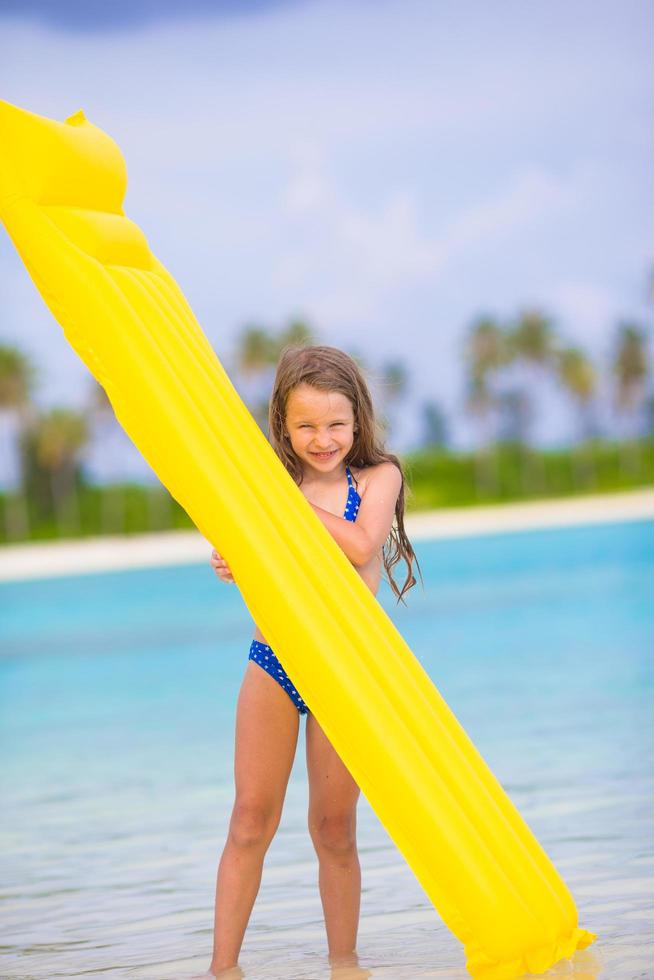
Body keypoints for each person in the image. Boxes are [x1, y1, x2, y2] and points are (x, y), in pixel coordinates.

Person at [199, 345, 421, 979]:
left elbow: (356, 545)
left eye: (336, 425)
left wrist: (274, 501)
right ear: (282, 425)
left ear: (358, 422)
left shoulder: (378, 477)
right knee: (248, 819)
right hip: (274, 661)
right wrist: (233, 557)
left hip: (347, 670)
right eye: (306, 427)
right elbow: (262, 567)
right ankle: (222, 969)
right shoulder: (273, 484)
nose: (322, 439)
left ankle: (344, 965)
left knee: (333, 827)